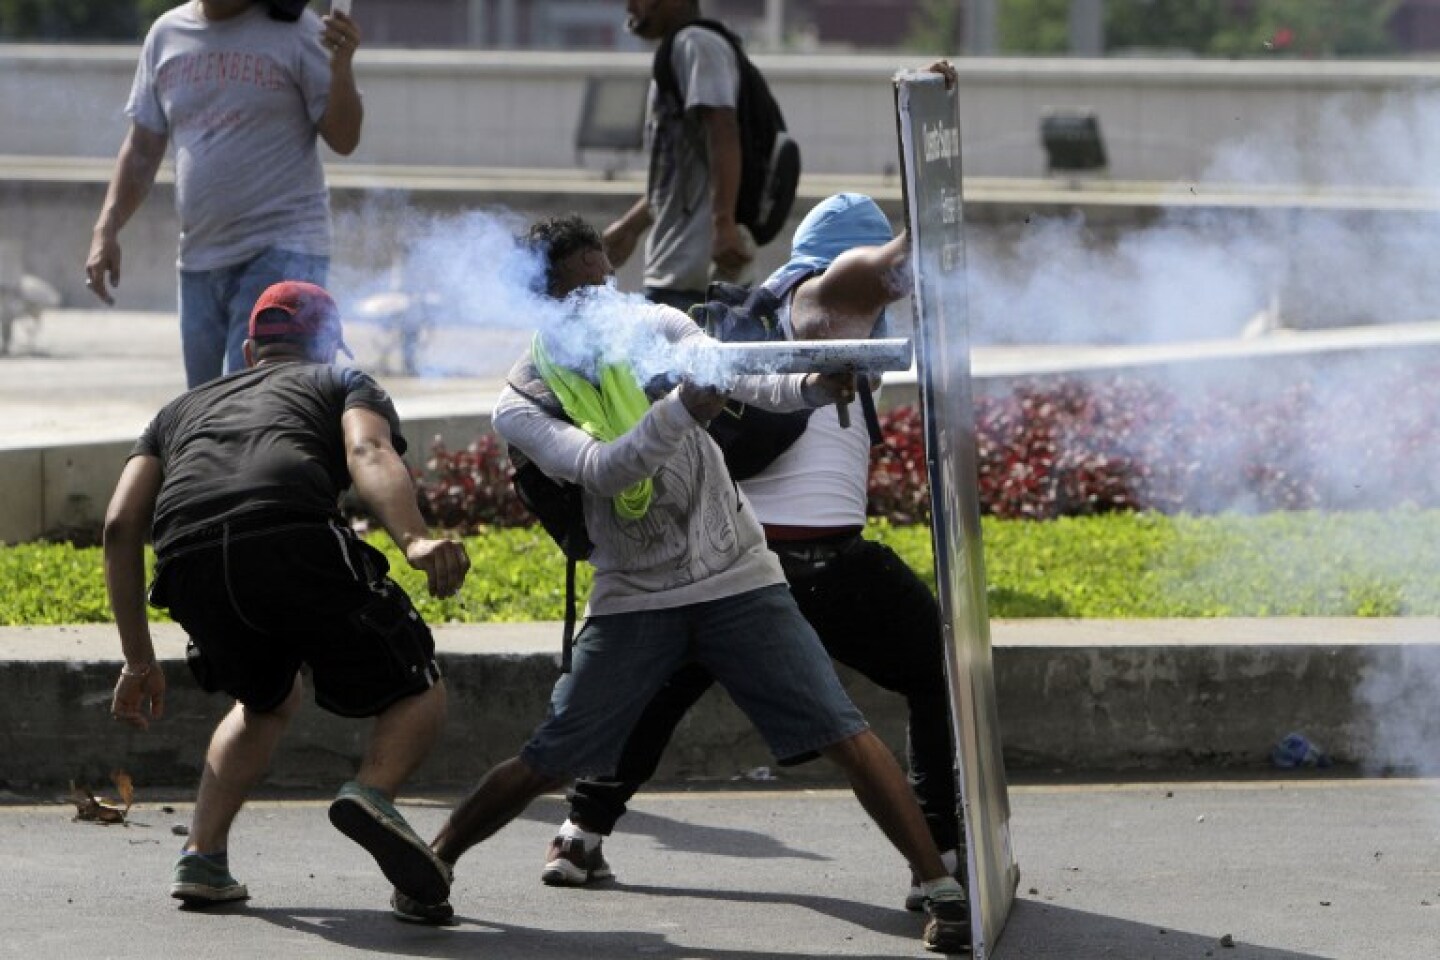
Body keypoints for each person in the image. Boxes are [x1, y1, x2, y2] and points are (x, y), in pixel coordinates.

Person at [388, 215, 969, 955]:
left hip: (738, 575)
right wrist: (682, 409)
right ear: (542, 307)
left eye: (608, 280)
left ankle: (938, 884)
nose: (607, 301)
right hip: (637, 595)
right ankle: (432, 864)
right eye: (583, 292)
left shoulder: (653, 323)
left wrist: (812, 386)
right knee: (551, 756)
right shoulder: (523, 402)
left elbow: (740, 372)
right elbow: (604, 469)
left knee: (843, 731)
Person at [545, 190, 968, 914]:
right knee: (935, 670)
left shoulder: (777, 317)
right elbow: (872, 270)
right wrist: (925, 199)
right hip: (815, 565)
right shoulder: (827, 300)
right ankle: (943, 852)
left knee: (663, 691)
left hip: (719, 559)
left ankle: (580, 834)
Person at [103, 280, 470, 911]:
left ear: (250, 350)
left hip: (188, 559)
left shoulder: (178, 410)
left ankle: (202, 857)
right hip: (289, 533)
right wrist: (412, 541)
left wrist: (138, 660)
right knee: (418, 684)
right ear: (328, 346)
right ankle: (371, 794)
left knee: (264, 699)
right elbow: (367, 447)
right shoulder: (342, 382)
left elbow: (117, 526)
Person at [85, 0, 364, 388]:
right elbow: (143, 147)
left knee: (246, 402)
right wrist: (107, 228)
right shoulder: (166, 35)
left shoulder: (300, 31)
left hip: (282, 250)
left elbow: (345, 137)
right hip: (200, 257)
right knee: (203, 405)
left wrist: (341, 66)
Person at [603, 0, 756, 312]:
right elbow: (681, 171)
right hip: (674, 269)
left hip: (692, 274)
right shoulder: (677, 51)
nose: (629, 5)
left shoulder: (697, 45)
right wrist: (632, 226)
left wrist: (723, 224)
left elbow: (723, 131)